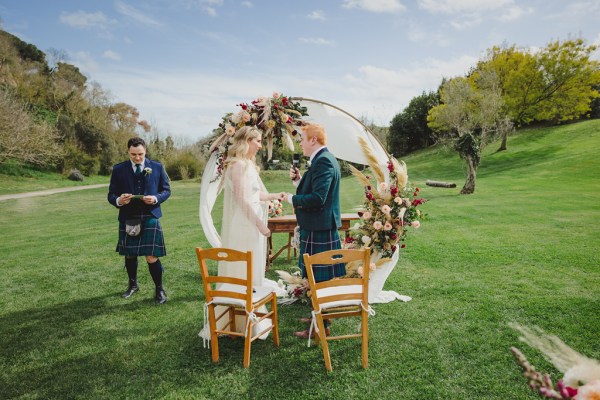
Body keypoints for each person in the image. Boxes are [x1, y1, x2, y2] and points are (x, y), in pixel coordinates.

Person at [214, 126, 286, 336]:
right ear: (246, 141)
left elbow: (255, 196)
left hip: (251, 223)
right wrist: (260, 224)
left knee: (253, 267)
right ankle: (239, 320)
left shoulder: (248, 165)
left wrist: (273, 196)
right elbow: (241, 200)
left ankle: (249, 317)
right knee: (242, 268)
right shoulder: (237, 165)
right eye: (258, 141)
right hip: (244, 225)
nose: (261, 146)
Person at [286, 123, 344, 339]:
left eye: (302, 139)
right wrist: (298, 182)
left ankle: (321, 327)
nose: (300, 143)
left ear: (313, 140)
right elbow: (318, 191)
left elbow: (318, 199)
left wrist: (291, 198)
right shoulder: (322, 160)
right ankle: (317, 317)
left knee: (319, 279)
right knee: (315, 278)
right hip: (317, 226)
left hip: (319, 228)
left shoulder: (324, 162)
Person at [108, 137, 171, 304]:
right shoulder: (119, 169)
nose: (137, 158)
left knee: (151, 256)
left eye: (140, 154)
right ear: (128, 151)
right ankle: (133, 286)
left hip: (150, 215)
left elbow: (166, 190)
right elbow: (111, 195)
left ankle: (159, 289)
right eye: (133, 154)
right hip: (128, 216)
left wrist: (156, 198)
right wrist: (119, 201)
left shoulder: (156, 167)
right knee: (130, 255)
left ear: (145, 151)